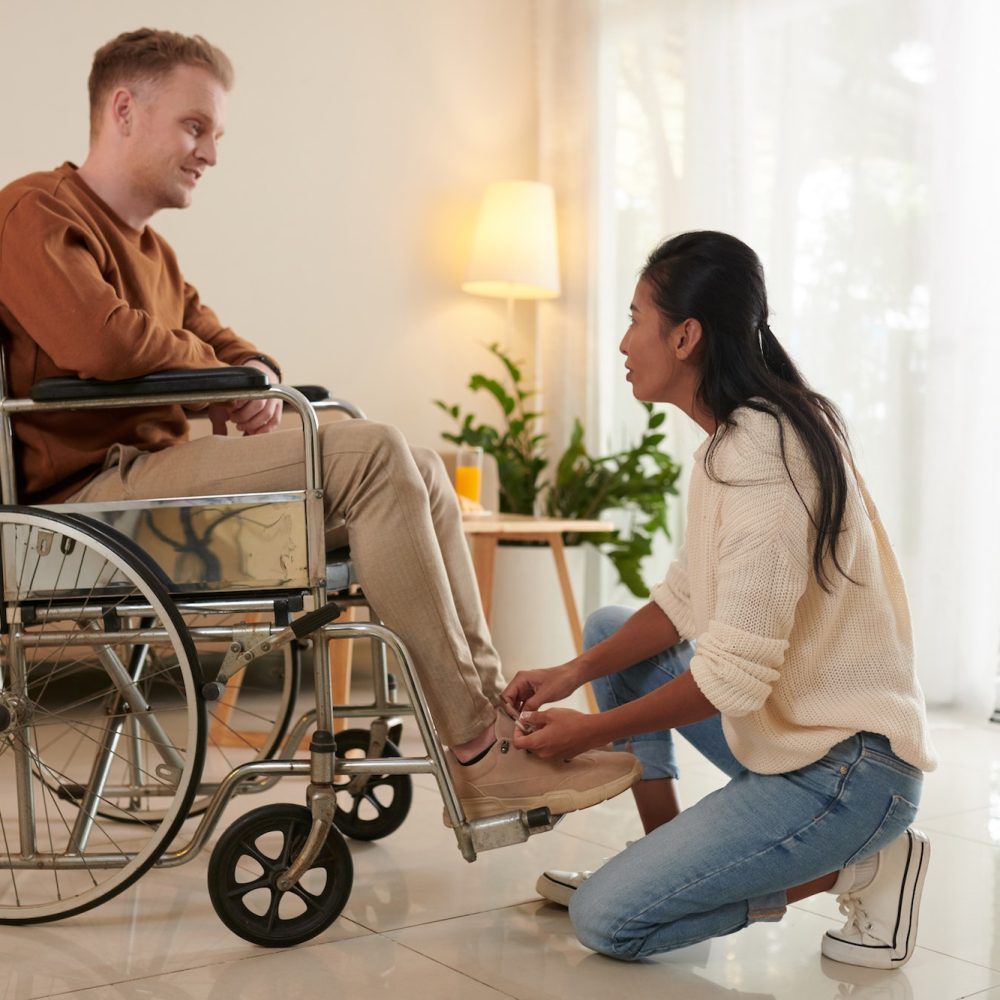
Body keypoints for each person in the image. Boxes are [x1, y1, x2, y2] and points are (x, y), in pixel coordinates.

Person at [0, 27, 640, 821]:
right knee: (369, 453)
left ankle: (494, 729)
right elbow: (100, 339)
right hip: (88, 501)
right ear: (123, 109)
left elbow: (230, 346)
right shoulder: (32, 210)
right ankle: (475, 753)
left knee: (423, 467)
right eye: (195, 128)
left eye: (216, 134)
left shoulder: (154, 255)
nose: (210, 153)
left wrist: (250, 377)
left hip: (150, 483)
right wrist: (223, 379)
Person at [502, 231, 936, 969]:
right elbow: (682, 602)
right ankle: (660, 854)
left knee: (609, 921)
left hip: (848, 775)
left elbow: (731, 679)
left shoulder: (764, 456)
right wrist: (573, 672)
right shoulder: (734, 440)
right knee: (613, 627)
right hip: (801, 743)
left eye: (636, 317)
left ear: (685, 335)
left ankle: (862, 865)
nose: (622, 342)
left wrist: (586, 732)